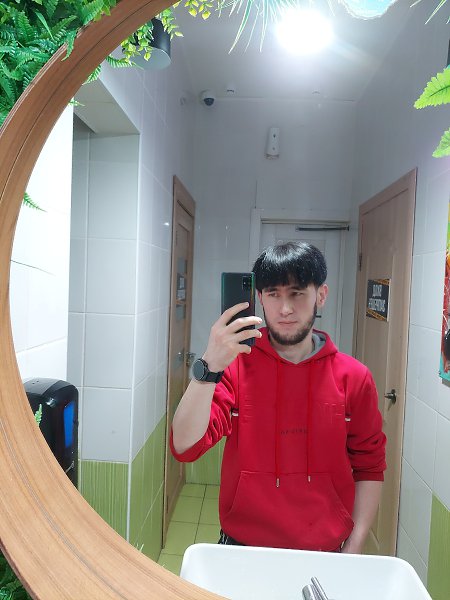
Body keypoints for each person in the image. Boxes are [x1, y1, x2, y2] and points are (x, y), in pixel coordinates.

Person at [170, 241, 386, 554]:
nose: (285, 309)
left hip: (324, 552)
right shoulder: (235, 368)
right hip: (242, 547)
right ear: (259, 298)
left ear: (320, 296)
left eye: (297, 293)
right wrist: (210, 365)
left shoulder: (354, 378)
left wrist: (353, 547)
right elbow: (184, 446)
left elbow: (370, 467)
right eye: (274, 294)